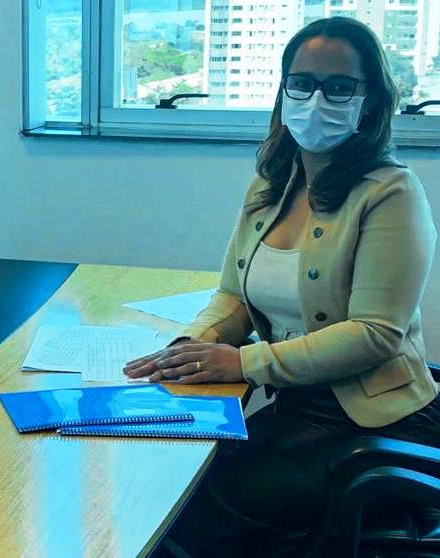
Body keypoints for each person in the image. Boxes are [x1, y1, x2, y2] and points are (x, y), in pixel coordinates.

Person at [123, 17, 440, 557]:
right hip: (297, 413)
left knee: (191, 500)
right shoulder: (270, 187)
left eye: (339, 87)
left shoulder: (392, 194)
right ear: (284, 90)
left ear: (369, 101)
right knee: (166, 467)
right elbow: (233, 296)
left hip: (374, 428)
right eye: (303, 82)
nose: (317, 100)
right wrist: (193, 347)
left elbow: (376, 333)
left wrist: (243, 363)